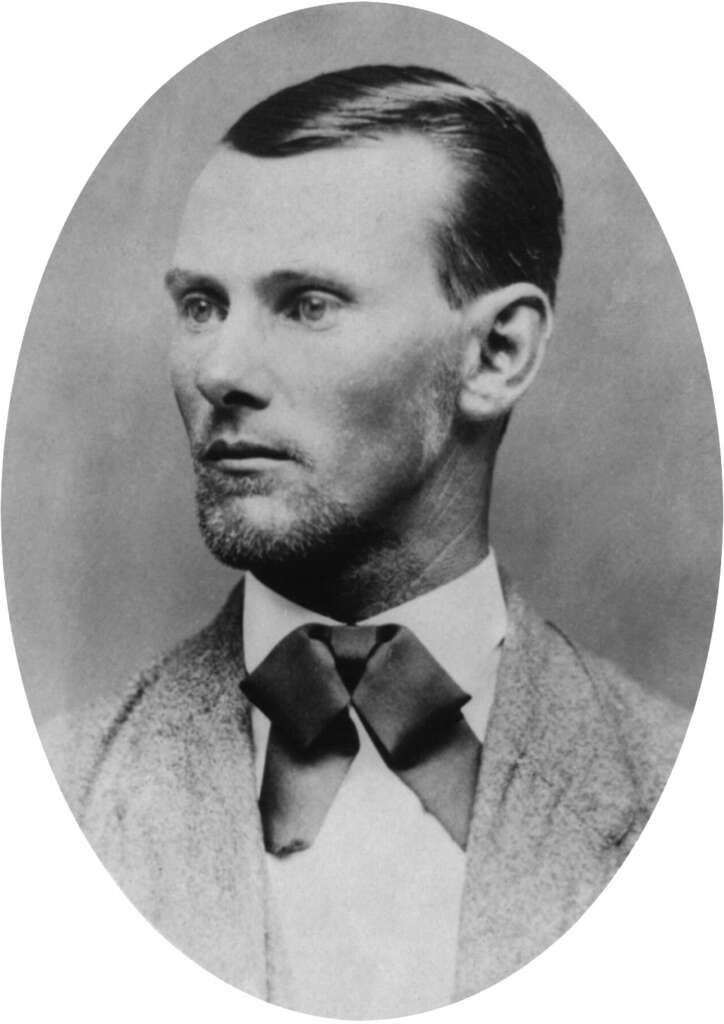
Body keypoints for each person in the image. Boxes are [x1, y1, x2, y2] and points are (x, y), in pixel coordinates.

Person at [44, 65, 688, 1017]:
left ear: (496, 354)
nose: (220, 370)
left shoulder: (677, 792)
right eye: (201, 305)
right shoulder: (56, 791)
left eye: (307, 303)